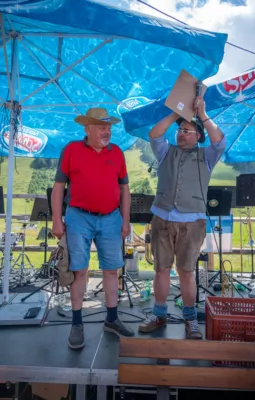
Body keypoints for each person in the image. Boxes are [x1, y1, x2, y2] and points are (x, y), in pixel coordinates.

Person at [138, 96, 226, 339]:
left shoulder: (207, 156)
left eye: (186, 131)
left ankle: (190, 318)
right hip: (162, 219)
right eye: (180, 130)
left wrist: (203, 114)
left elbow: (219, 141)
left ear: (198, 136)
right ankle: (159, 313)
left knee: (186, 271)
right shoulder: (166, 151)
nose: (181, 134)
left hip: (192, 222)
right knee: (161, 269)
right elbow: (155, 134)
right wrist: (175, 115)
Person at [51, 107, 134, 350]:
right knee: (80, 271)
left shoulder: (117, 152)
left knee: (111, 270)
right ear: (87, 128)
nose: (107, 131)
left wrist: (126, 219)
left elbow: (124, 189)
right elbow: (58, 187)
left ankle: (112, 318)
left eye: (108, 127)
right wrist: (57, 219)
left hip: (111, 218)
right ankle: (77, 323)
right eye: (101, 127)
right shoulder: (71, 149)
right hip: (79, 218)